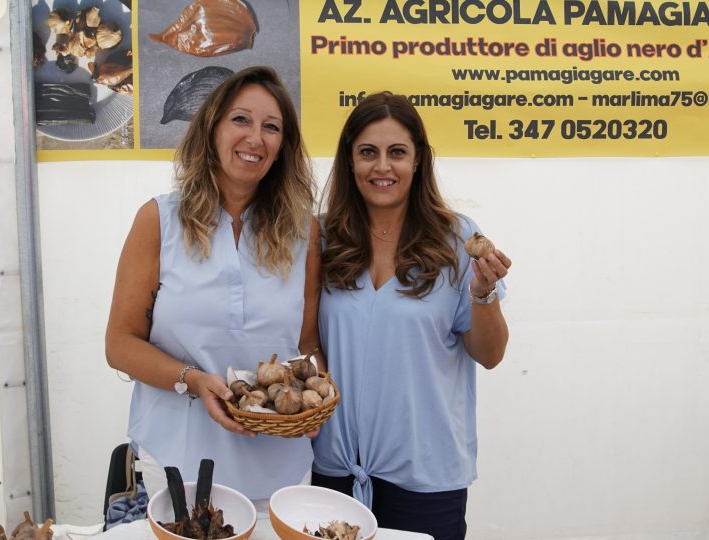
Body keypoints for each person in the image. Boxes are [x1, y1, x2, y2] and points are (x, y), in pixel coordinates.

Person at [105, 66, 321, 507]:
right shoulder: (158, 221)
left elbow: (306, 343)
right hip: (177, 461)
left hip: (280, 463)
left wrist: (316, 398)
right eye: (240, 119)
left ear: (282, 148)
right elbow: (120, 344)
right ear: (211, 129)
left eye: (272, 127)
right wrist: (195, 380)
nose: (255, 138)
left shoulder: (305, 233)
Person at [311, 91, 511, 540]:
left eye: (397, 152)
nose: (383, 167)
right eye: (368, 153)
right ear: (349, 161)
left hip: (426, 479)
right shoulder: (320, 238)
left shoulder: (457, 237)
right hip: (333, 474)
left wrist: (483, 293)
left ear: (418, 160)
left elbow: (492, 354)